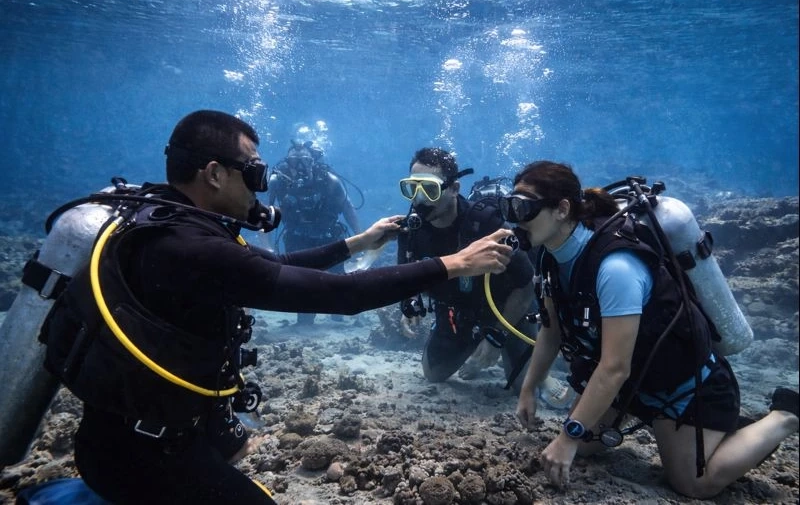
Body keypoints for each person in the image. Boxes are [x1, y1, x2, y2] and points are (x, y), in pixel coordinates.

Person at [47, 110, 515, 505]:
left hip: (138, 433)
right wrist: (453, 264)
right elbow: (340, 296)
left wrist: (356, 242)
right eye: (254, 172)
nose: (263, 186)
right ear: (214, 174)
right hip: (140, 453)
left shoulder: (168, 220)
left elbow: (273, 265)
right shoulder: (192, 246)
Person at [507, 160, 799, 498]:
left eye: (524, 208)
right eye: (510, 207)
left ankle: (784, 416)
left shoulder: (615, 267)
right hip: (632, 386)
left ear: (561, 209)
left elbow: (615, 367)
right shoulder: (550, 259)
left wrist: (569, 437)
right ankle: (707, 435)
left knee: (693, 484)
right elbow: (552, 331)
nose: (515, 220)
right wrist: (529, 388)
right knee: (582, 447)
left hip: (684, 387)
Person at [397, 147, 536, 391]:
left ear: (454, 188)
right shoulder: (412, 230)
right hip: (459, 313)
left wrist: (496, 337)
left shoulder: (487, 224)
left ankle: (531, 341)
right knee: (434, 374)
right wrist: (409, 305)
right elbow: (406, 277)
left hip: (505, 311)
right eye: (412, 188)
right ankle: (471, 343)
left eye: (429, 189)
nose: (418, 200)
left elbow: (525, 286)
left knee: (522, 386)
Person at [266, 139, 361, 325]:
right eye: (294, 161)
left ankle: (338, 316)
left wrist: (361, 240)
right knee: (300, 283)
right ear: (287, 163)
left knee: (338, 283)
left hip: (329, 237)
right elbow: (264, 213)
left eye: (305, 161)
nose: (300, 166)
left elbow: (348, 208)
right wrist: (267, 248)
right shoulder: (277, 182)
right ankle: (305, 321)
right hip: (297, 239)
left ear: (313, 161)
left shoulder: (329, 180)